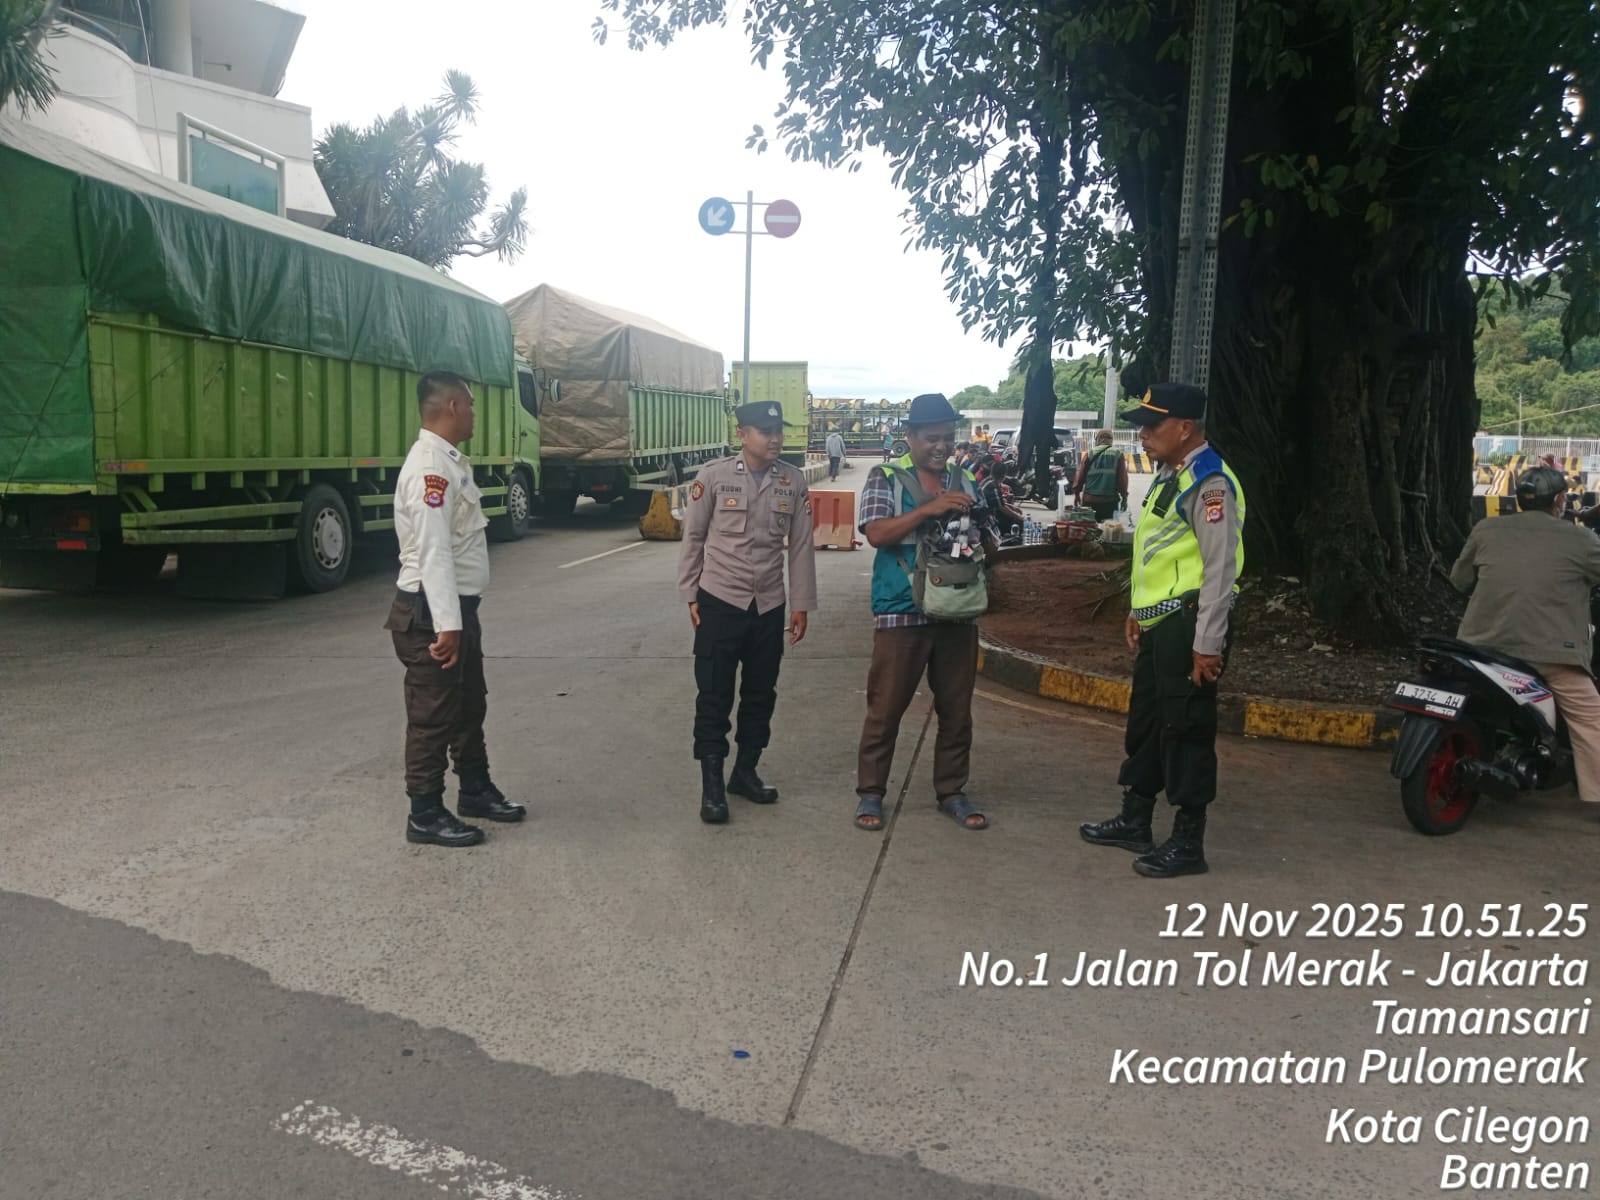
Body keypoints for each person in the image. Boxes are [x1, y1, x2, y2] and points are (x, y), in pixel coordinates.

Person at [1080, 383, 1244, 877]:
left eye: (1154, 425)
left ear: (1185, 428)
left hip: (1190, 624)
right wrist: (1138, 608)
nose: (1143, 434)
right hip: (1162, 621)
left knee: (1186, 727)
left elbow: (1219, 570)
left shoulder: (1210, 484)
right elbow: (1155, 549)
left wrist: (1207, 644)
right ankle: (1135, 820)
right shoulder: (1172, 475)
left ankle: (1189, 843)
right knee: (1149, 721)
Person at [385, 370, 526, 848]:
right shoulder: (431, 468)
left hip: (454, 610)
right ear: (451, 407)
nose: (474, 414)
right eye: (470, 404)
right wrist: (448, 624)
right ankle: (424, 813)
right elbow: (433, 552)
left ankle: (475, 789)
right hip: (431, 613)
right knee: (432, 716)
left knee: (468, 704)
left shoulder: (449, 462)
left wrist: (458, 620)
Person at [853, 393, 1000, 834]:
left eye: (947, 437)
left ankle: (952, 792)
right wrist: (929, 510)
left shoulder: (965, 478)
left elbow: (987, 537)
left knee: (956, 710)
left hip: (958, 609)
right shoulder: (886, 477)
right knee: (886, 708)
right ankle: (871, 793)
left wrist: (981, 532)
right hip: (902, 611)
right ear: (911, 436)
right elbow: (876, 533)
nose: (941, 446)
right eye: (932, 438)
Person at [678, 402, 819, 824]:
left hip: (768, 605)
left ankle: (745, 772)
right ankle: (712, 786)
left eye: (778, 431)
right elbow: (693, 537)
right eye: (764, 431)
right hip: (720, 601)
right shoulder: (713, 476)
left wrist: (801, 604)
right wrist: (690, 594)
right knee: (714, 695)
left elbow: (800, 546)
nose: (775, 439)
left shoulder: (792, 481)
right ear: (742, 434)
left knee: (761, 693)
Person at [1450, 465, 1600, 809]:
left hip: (1479, 650)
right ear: (1560, 500)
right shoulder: (1580, 539)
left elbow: (1459, 580)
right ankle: (1595, 795)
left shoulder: (1486, 528)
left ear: (1519, 499)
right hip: (1549, 657)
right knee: (1591, 719)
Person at [1074, 430, 1130, 521]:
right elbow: (1122, 479)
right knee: (1108, 528)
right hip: (1110, 501)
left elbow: (1080, 476)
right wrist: (1124, 498)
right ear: (1111, 440)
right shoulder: (1117, 454)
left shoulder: (1090, 453)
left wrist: (1077, 494)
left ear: (1098, 440)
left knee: (1090, 527)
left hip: (1089, 500)